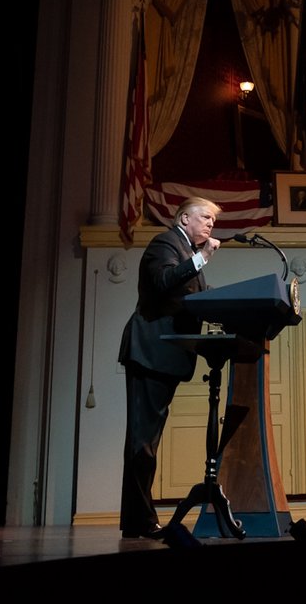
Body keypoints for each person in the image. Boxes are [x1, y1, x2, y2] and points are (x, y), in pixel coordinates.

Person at [117, 197, 222, 539]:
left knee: (148, 440)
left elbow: (197, 301)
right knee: (142, 441)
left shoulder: (187, 252)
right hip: (152, 350)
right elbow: (163, 282)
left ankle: (139, 520)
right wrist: (201, 257)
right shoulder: (166, 242)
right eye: (205, 217)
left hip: (167, 354)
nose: (210, 225)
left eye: (212, 221)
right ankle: (139, 522)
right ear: (184, 217)